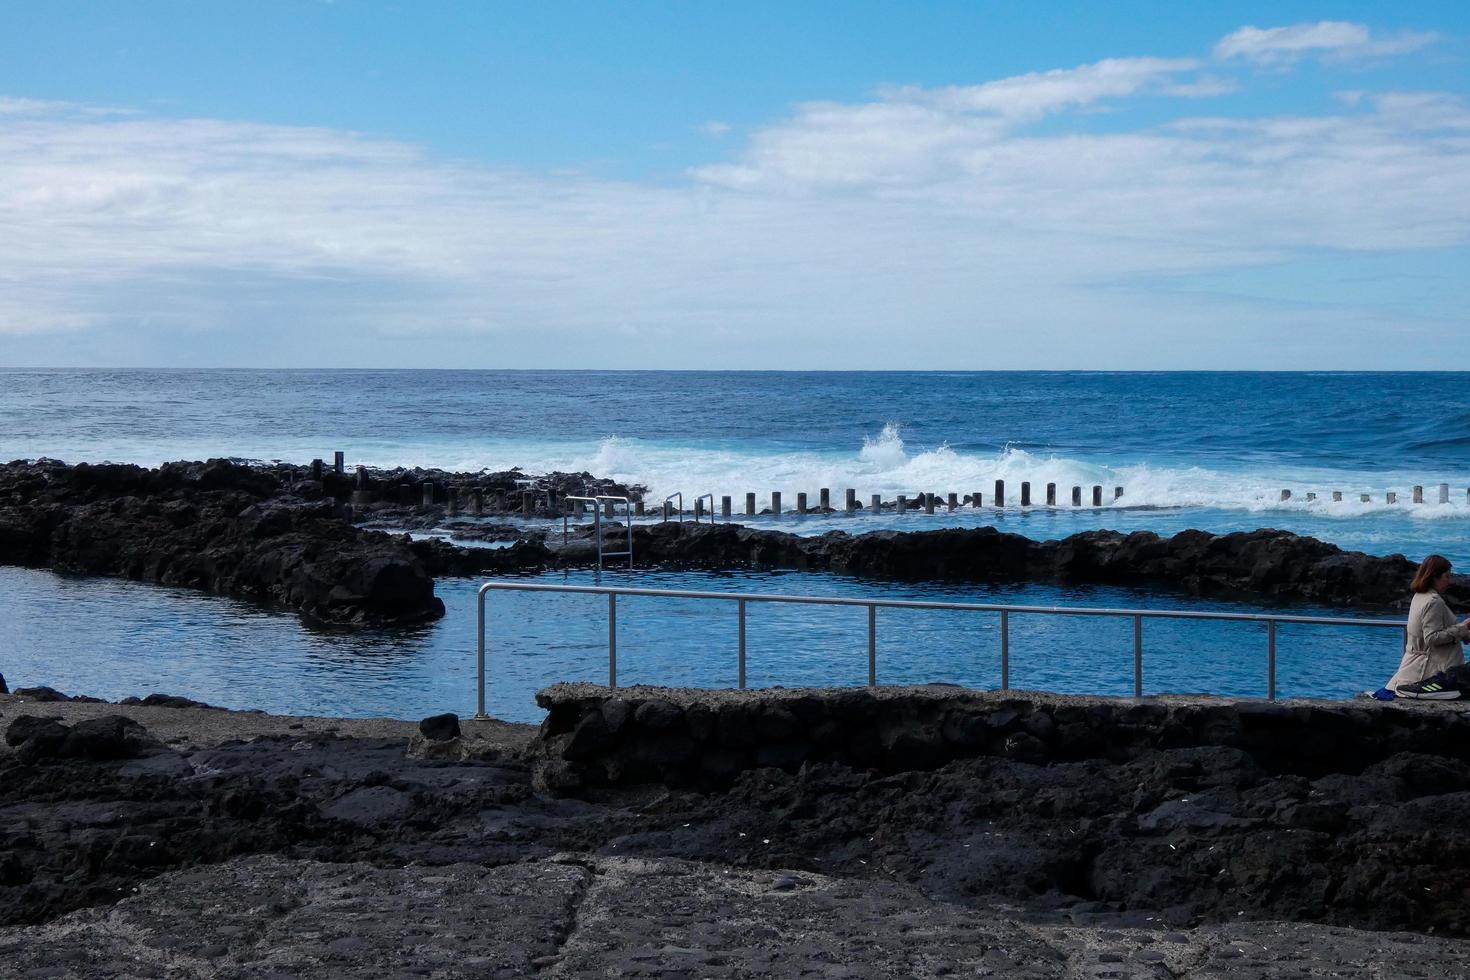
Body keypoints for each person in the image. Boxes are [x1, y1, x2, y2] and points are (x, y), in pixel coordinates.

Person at [1390, 554, 1470, 699]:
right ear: (1434, 577)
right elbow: (1432, 638)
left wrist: (1464, 631)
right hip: (1432, 671)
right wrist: (1463, 628)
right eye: (1446, 576)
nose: (1449, 581)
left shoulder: (1419, 596)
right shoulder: (1434, 602)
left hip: (1413, 666)